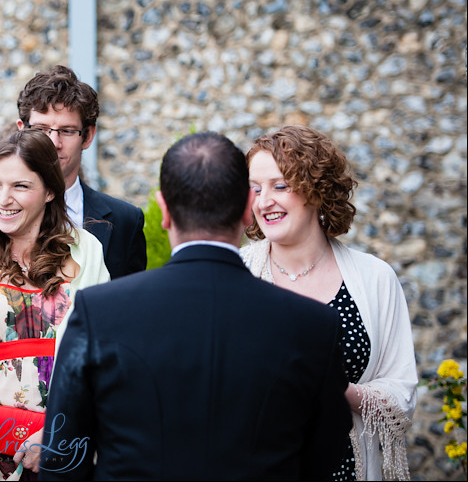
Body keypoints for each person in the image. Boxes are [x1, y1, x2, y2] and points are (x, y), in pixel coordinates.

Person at [39, 132, 352, 480]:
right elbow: (327, 454)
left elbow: (62, 455)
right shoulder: (313, 324)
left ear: (165, 211)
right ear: (249, 207)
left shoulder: (99, 312)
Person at [241, 125, 417, 481]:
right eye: (255, 189)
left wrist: (336, 388)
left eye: (280, 186)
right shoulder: (237, 272)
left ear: (317, 190)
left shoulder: (374, 278)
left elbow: (402, 400)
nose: (263, 202)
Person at [0, 129, 110, 480]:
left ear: (49, 191)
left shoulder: (85, 250)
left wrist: (62, 427)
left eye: (20, 186)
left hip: (60, 436)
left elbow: (102, 349)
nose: (3, 198)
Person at [0, 65, 145, 280]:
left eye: (67, 131)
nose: (53, 143)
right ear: (21, 129)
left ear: (87, 137)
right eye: (41, 129)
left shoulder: (125, 221)